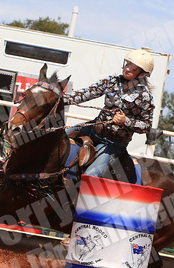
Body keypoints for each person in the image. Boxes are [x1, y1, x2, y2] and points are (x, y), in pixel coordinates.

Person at [63, 48, 155, 178]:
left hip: (113, 143)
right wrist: (61, 99)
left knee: (92, 174)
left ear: (141, 74)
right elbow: (87, 93)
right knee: (59, 137)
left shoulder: (145, 97)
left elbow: (146, 125)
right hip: (93, 128)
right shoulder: (112, 81)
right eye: (127, 65)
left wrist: (125, 122)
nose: (127, 69)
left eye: (133, 68)